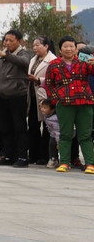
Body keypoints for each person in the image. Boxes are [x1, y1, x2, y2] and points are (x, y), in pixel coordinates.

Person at [44, 36, 94, 174]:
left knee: (85, 135)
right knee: (65, 134)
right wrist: (56, 99)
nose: (69, 49)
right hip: (64, 103)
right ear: (60, 49)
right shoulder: (54, 64)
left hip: (84, 102)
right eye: (65, 46)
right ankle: (64, 162)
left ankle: (90, 163)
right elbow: (49, 84)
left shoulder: (85, 62)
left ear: (76, 49)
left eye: (72, 46)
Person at [0, 30, 33, 168]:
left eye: (11, 40)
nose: (7, 43)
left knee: (19, 127)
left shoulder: (23, 53)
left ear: (19, 41)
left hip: (17, 95)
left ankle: (22, 156)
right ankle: (8, 155)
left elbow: (24, 63)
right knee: (5, 128)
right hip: (1, 95)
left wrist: (6, 56)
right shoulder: (1, 55)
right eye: (6, 40)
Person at [26, 36, 57, 166]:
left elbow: (54, 78)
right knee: (33, 125)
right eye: (33, 45)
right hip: (33, 97)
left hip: (46, 97)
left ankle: (44, 155)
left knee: (47, 127)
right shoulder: (33, 59)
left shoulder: (53, 60)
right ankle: (33, 154)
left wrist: (38, 80)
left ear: (46, 46)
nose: (35, 48)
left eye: (37, 45)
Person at [39, 99, 60, 169]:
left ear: (52, 110)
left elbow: (57, 130)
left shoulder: (54, 119)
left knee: (54, 146)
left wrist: (58, 141)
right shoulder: (47, 116)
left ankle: (58, 160)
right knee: (51, 146)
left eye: (45, 108)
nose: (42, 109)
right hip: (52, 135)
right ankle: (53, 159)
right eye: (42, 107)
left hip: (58, 136)